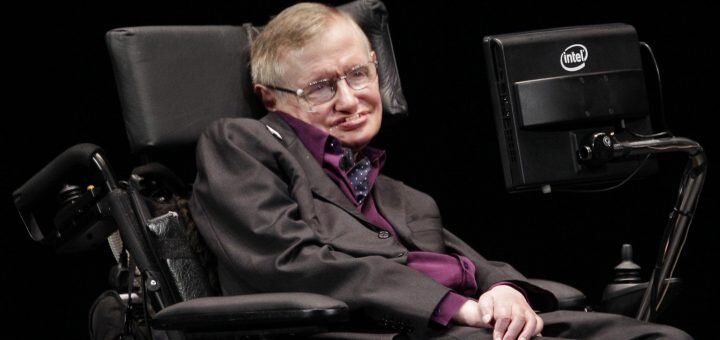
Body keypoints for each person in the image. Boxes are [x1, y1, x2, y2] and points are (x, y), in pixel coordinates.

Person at [189, 2, 693, 339]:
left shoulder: (400, 195)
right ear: (271, 97)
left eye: (359, 75)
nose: (350, 100)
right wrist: (454, 307)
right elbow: (288, 262)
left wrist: (501, 290)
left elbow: (466, 259)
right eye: (320, 87)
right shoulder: (241, 143)